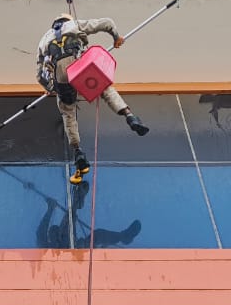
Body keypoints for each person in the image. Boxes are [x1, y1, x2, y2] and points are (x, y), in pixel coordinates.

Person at [37, 13, 149, 183]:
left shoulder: (43, 41)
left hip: (62, 78)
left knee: (68, 113)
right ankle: (129, 116)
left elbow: (40, 75)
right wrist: (116, 37)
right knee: (105, 88)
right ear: (67, 20)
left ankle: (78, 151)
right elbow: (107, 23)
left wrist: (50, 88)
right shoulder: (74, 25)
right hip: (80, 68)